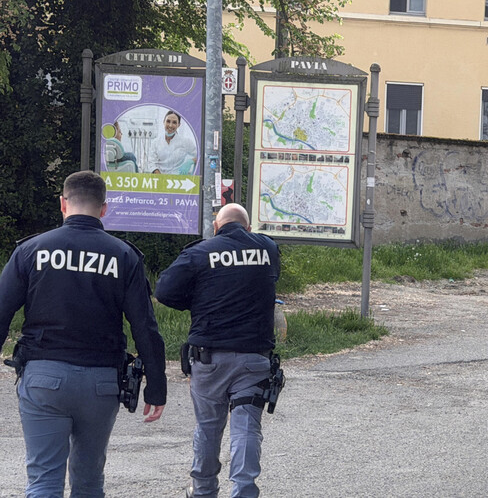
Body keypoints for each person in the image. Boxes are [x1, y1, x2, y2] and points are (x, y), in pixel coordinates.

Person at [0, 170, 166, 496]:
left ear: (63, 203)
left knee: (44, 481)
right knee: (89, 482)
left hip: (44, 378)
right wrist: (156, 387)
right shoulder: (124, 256)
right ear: (104, 209)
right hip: (102, 383)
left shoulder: (31, 250)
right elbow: (145, 326)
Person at [156, 204, 281, 498]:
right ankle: (244, 491)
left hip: (209, 359)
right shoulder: (268, 249)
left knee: (208, 428)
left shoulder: (199, 253)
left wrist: (199, 300)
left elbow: (163, 290)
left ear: (216, 227)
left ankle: (202, 491)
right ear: (248, 228)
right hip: (254, 358)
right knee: (246, 427)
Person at [152, 110, 197, 175]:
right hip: (160, 179)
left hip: (178, 180)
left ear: (178, 125)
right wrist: (160, 177)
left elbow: (201, 156)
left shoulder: (185, 142)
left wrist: (191, 161)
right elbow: (151, 163)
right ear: (163, 122)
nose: (170, 125)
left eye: (174, 122)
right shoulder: (155, 142)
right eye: (168, 121)